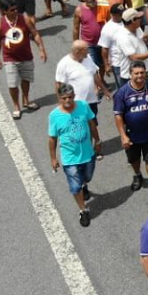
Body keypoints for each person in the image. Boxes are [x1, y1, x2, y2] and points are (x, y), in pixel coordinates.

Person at [48, 84, 101, 227]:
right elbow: (52, 138)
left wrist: (98, 141)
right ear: (59, 98)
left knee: (87, 177)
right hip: (69, 159)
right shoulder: (54, 116)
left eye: (70, 97)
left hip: (88, 154)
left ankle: (85, 185)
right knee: (75, 186)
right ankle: (83, 210)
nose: (68, 100)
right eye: (64, 98)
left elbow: (92, 124)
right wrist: (53, 158)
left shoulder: (83, 106)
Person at [115, 62, 148, 196]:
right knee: (134, 159)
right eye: (136, 73)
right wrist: (123, 136)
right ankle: (137, 175)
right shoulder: (122, 93)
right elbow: (118, 116)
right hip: (131, 135)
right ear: (130, 74)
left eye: (142, 73)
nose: (139, 76)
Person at [0, 0, 47, 119]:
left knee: (26, 79)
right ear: (4, 11)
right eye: (12, 10)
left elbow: (35, 34)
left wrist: (41, 49)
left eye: (16, 9)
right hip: (10, 59)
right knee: (12, 84)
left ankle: (26, 100)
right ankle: (16, 106)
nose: (15, 11)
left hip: (26, 57)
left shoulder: (25, 19)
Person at [55, 40, 109, 121]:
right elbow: (58, 85)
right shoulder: (64, 64)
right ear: (77, 51)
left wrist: (104, 90)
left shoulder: (88, 58)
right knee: (80, 125)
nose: (88, 51)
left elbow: (94, 75)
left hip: (91, 100)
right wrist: (61, 102)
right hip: (76, 103)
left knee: (93, 123)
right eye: (85, 50)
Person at [115, 8, 148, 85]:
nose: (141, 19)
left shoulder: (137, 28)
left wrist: (146, 40)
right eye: (139, 18)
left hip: (146, 69)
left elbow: (142, 44)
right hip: (132, 76)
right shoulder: (123, 37)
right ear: (133, 20)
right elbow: (134, 58)